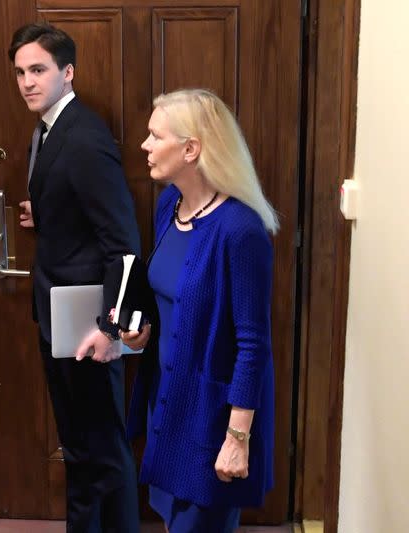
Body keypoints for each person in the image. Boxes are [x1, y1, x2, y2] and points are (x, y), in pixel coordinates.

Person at [10, 23, 149, 532]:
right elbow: (80, 210)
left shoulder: (84, 137)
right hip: (62, 317)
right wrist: (45, 212)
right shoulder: (49, 130)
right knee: (82, 450)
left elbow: (122, 242)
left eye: (39, 70)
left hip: (89, 324)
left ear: (68, 73)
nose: (27, 81)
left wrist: (112, 327)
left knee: (102, 451)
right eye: (21, 72)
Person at [122, 88, 278, 533]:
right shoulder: (168, 206)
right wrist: (145, 328)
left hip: (212, 418)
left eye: (155, 136)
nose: (144, 145)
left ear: (191, 149)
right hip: (166, 405)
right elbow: (172, 297)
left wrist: (237, 439)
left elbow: (253, 346)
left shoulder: (240, 231)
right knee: (171, 521)